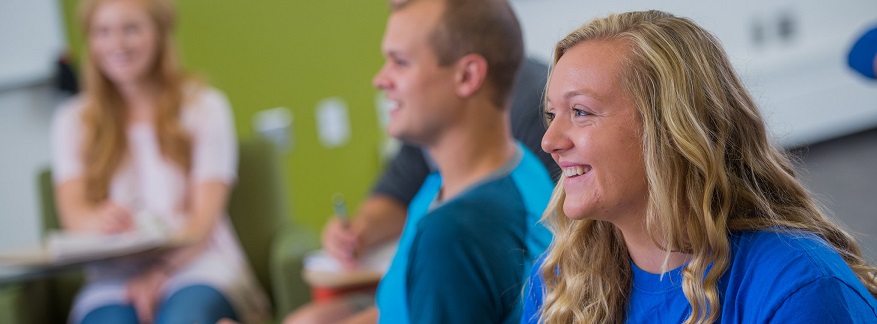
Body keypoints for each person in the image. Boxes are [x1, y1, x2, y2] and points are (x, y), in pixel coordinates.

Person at [522, 10, 877, 324]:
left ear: (671, 130)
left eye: (581, 112)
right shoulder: (560, 284)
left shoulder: (797, 290)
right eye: (552, 115)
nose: (549, 141)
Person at [288, 0, 553, 323]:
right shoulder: (499, 173)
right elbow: (400, 309)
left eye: (400, 63)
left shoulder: (453, 235)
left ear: (468, 75)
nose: (380, 79)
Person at [50, 0, 268, 322]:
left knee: (183, 317)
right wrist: (100, 220)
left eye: (131, 29)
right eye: (103, 32)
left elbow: (202, 220)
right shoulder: (72, 121)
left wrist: (162, 272)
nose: (117, 44)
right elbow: (74, 213)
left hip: (198, 265)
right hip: (113, 281)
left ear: (160, 33)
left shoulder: (204, 107)